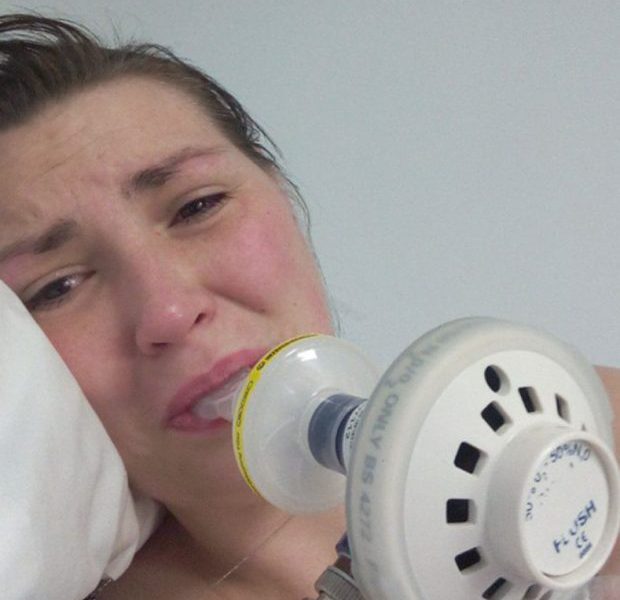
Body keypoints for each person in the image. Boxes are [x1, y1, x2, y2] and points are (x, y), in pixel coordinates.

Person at [0, 13, 617, 600]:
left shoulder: (588, 428)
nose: (169, 311)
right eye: (58, 287)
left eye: (197, 207)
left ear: (282, 194)